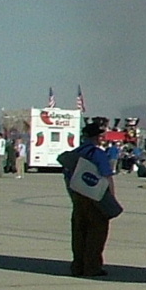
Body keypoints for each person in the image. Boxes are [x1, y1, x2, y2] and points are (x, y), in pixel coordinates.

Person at [57, 118, 119, 277]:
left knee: (79, 232)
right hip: (95, 196)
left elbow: (67, 176)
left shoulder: (76, 153)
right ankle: (92, 267)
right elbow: (106, 176)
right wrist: (111, 197)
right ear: (97, 137)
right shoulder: (97, 153)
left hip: (78, 195)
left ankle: (77, 265)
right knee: (96, 233)